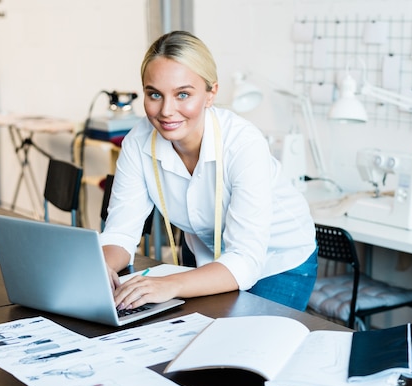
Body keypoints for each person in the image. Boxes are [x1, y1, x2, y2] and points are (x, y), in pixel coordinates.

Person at [99, 30, 317, 311]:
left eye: (183, 94)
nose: (166, 110)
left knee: (245, 347)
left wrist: (170, 284)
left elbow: (246, 261)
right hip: (207, 255)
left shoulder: (243, 144)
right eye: (154, 94)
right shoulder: (137, 143)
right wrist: (101, 266)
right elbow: (120, 234)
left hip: (278, 260)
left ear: (211, 93)